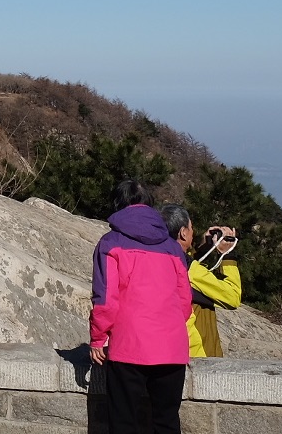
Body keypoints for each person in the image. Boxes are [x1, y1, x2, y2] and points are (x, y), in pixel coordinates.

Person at [90, 181, 192, 434]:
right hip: (172, 348)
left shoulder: (110, 243)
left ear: (117, 205)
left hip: (129, 346)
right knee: (166, 423)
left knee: (124, 424)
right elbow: (184, 302)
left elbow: (105, 299)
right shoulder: (172, 247)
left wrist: (97, 338)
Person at [158, 205, 242, 357]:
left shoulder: (157, 259)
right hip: (196, 355)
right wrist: (228, 255)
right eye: (191, 227)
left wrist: (203, 248)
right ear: (183, 233)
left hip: (167, 350)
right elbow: (233, 296)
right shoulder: (188, 269)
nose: (193, 231)